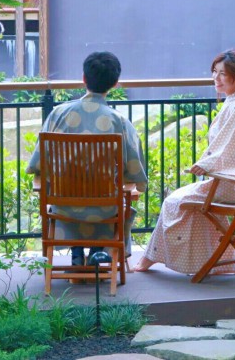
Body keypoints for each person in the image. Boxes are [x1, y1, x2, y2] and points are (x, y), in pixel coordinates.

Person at [135, 49, 235, 275]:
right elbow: (225, 146)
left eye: (222, 74)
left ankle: (149, 259)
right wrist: (207, 165)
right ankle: (216, 263)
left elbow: (227, 148)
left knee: (173, 201)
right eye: (214, 73)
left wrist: (206, 165)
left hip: (229, 184)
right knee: (195, 206)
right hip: (233, 182)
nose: (216, 79)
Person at [25, 51, 147, 269]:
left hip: (64, 207)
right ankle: (98, 252)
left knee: (71, 195)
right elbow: (134, 169)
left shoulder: (58, 114)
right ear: (115, 83)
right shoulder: (119, 121)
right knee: (123, 201)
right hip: (105, 209)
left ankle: (77, 252)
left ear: (83, 78)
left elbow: (37, 164)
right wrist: (137, 184)